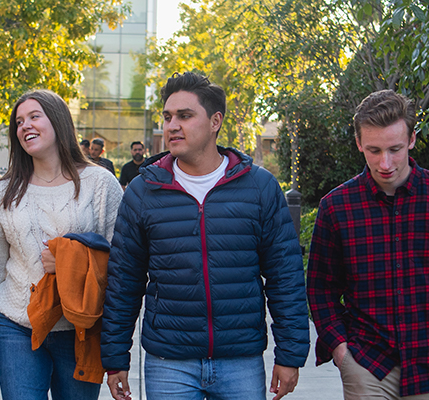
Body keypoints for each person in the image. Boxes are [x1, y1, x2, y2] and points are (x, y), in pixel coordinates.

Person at [102, 72, 310, 400]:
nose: (172, 125)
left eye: (185, 116)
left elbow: (285, 277)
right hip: (168, 361)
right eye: (168, 116)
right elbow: (123, 282)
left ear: (215, 121)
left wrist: (290, 354)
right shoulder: (144, 192)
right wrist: (115, 359)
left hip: (240, 359)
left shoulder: (259, 187)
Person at [307, 90, 429, 399]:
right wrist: (341, 353)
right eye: (373, 150)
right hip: (367, 364)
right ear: (359, 143)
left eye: (395, 149)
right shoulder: (336, 207)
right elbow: (321, 288)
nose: (385, 163)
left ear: (412, 139)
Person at [0, 89, 123, 400]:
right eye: (18, 121)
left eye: (34, 117)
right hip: (16, 326)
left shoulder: (100, 184)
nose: (24, 125)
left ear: (58, 121)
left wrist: (71, 263)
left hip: (80, 329)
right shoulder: (2, 193)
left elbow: (122, 265)